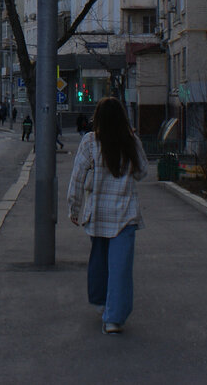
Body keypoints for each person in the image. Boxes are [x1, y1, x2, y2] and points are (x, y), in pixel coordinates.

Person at [66, 98, 148, 335]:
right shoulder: (131, 141)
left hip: (98, 214)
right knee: (120, 267)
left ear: (98, 118)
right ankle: (114, 318)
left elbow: (77, 178)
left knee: (99, 262)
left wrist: (74, 208)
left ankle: (101, 302)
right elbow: (143, 172)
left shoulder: (90, 142)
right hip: (125, 214)